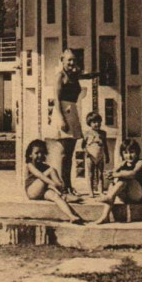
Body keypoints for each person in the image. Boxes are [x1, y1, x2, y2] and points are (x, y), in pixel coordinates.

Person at [49, 49, 96, 194]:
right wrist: (61, 118)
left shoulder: (74, 75)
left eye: (73, 60)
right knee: (64, 153)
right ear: (61, 60)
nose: (71, 63)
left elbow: (86, 76)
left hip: (72, 111)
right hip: (63, 112)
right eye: (68, 60)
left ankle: (68, 185)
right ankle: (64, 186)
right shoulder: (60, 76)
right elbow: (56, 98)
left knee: (70, 153)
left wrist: (99, 74)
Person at [24, 139, 84, 224]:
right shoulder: (29, 165)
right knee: (52, 170)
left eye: (42, 153)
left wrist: (55, 189)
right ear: (30, 155)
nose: (40, 155)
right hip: (32, 191)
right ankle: (64, 193)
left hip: (42, 192)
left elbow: (48, 184)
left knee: (55, 197)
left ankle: (72, 216)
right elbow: (40, 176)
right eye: (36, 153)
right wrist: (54, 183)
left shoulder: (45, 167)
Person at [94, 139, 142, 224]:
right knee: (113, 184)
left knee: (124, 177)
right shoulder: (122, 163)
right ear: (122, 154)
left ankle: (109, 197)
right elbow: (113, 172)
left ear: (137, 152)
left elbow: (132, 174)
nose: (129, 156)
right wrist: (110, 174)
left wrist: (116, 174)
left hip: (138, 194)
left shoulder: (140, 162)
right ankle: (105, 216)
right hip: (126, 195)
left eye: (132, 152)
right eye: (126, 153)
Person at [82, 112, 109, 197]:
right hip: (90, 156)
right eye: (94, 122)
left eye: (98, 122)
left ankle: (100, 191)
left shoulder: (103, 133)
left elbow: (105, 145)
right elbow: (83, 145)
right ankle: (91, 191)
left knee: (100, 174)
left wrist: (107, 155)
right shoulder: (87, 133)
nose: (97, 124)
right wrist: (86, 152)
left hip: (100, 155)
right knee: (91, 174)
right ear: (89, 123)